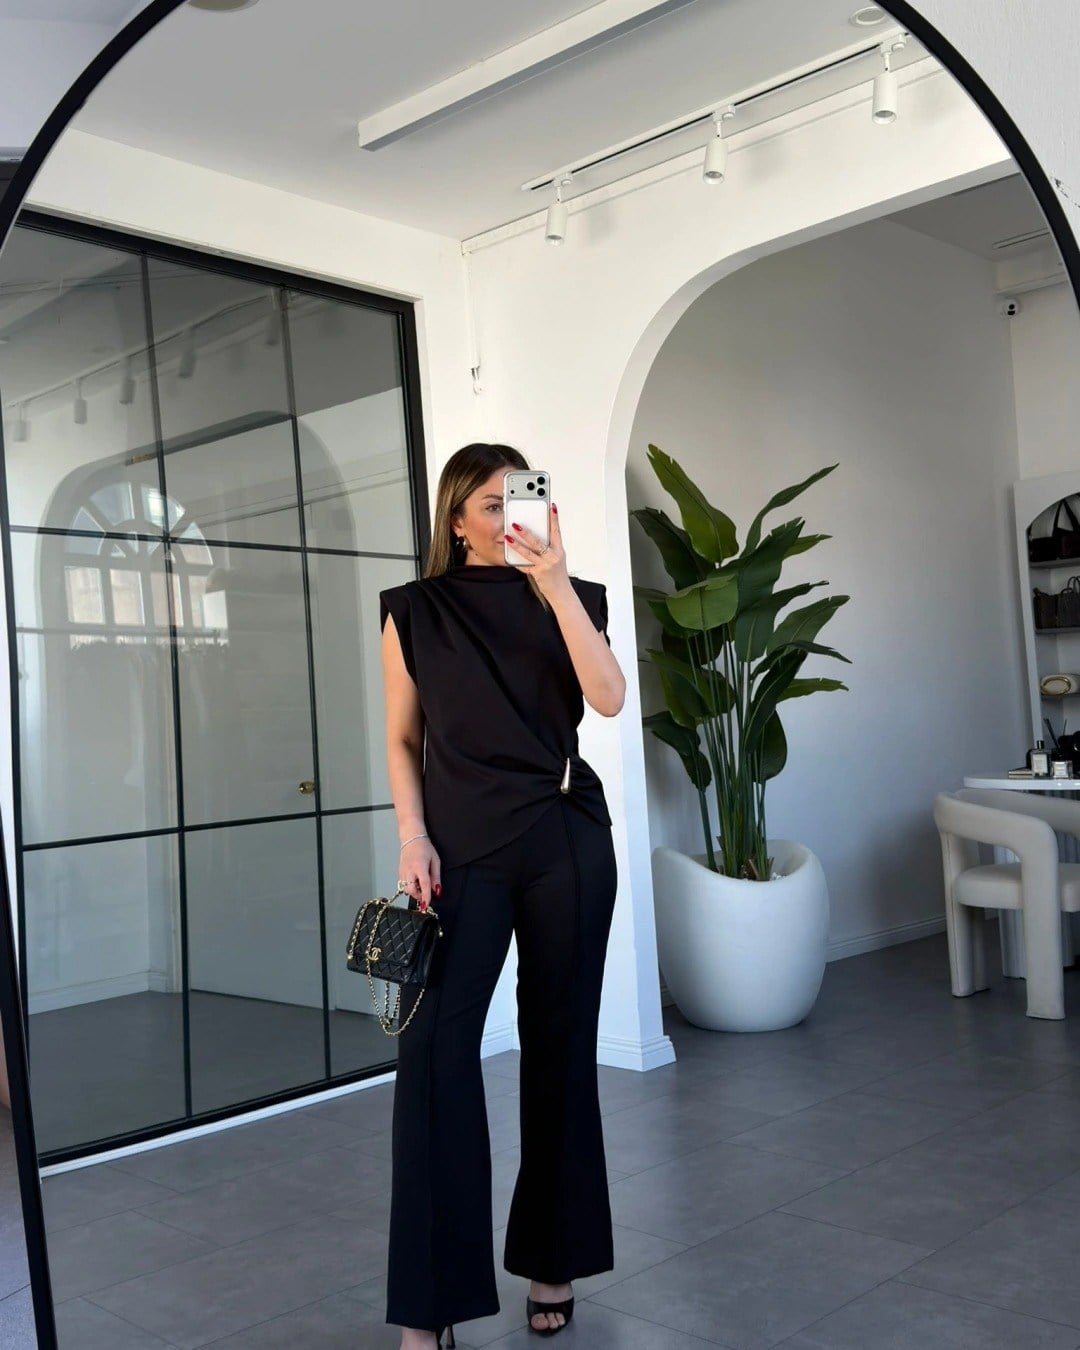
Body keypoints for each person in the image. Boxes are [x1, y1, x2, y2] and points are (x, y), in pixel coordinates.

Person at [378, 443, 626, 1349]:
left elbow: (608, 699)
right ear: (456, 522)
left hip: (565, 837)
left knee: (560, 1049)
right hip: (457, 856)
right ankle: (429, 1305)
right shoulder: (415, 611)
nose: (509, 514)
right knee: (433, 1058)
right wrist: (412, 836)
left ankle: (554, 1259)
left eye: (520, 496)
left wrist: (555, 585)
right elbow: (402, 739)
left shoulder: (573, 595)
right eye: (490, 503)